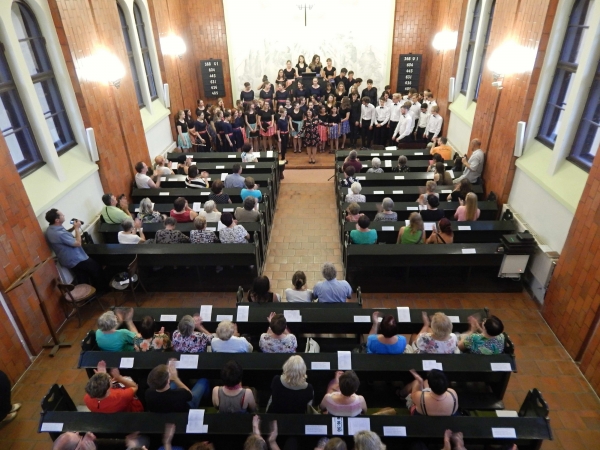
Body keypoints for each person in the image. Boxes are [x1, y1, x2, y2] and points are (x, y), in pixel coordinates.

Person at [45, 209, 102, 288]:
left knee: (82, 276)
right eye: (62, 215)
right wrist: (77, 229)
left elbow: (64, 236)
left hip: (68, 259)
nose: (64, 215)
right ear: (57, 220)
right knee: (96, 268)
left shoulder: (51, 229)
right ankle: (100, 289)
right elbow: (78, 243)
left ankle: (88, 292)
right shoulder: (58, 233)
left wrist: (72, 228)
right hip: (76, 259)